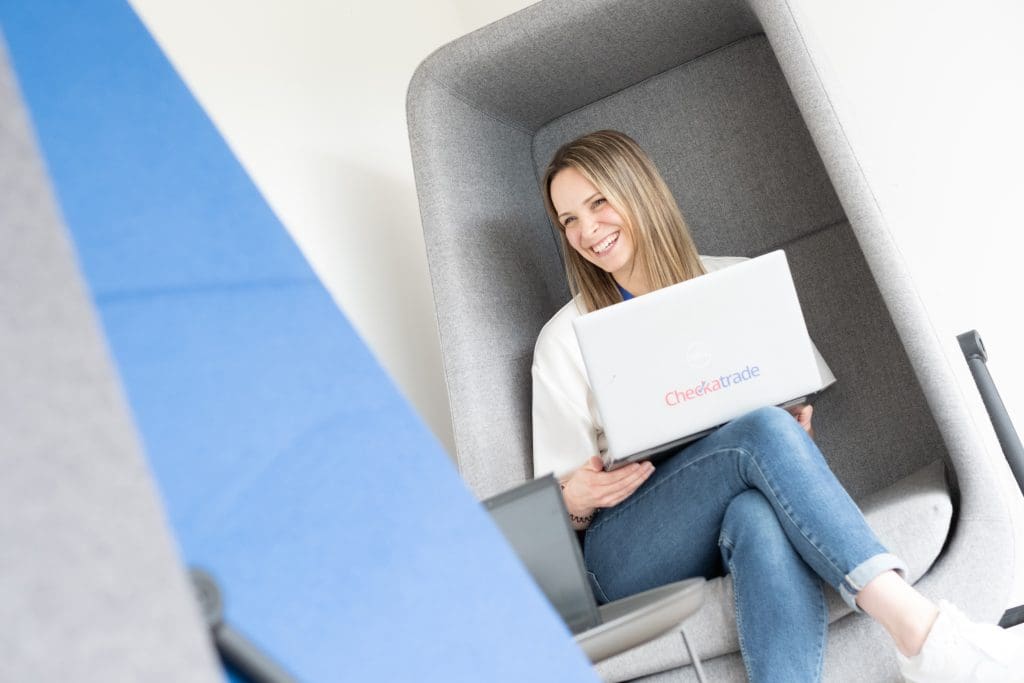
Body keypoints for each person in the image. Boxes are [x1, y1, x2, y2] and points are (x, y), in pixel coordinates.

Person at [530, 129, 1022, 682]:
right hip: (624, 551)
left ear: (639, 191)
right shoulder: (564, 339)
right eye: (568, 219)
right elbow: (554, 517)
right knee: (760, 430)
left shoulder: (737, 281)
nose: (587, 231)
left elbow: (785, 404)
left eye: (597, 202)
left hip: (731, 506)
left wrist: (790, 437)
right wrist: (575, 496)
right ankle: (924, 635)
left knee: (757, 513)